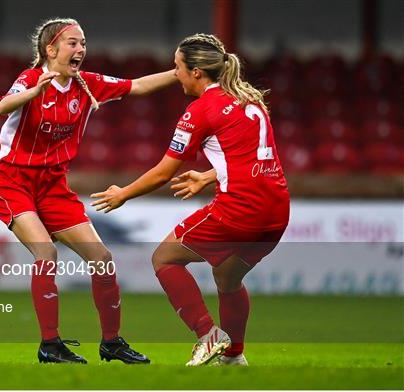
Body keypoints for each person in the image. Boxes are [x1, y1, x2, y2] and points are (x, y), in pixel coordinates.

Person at [91, 33, 290, 366]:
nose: (176, 74)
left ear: (197, 72)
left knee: (165, 258)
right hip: (276, 211)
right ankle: (233, 358)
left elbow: (163, 172)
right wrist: (210, 176)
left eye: (178, 67)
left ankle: (207, 334)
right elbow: (253, 156)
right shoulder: (249, 100)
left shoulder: (199, 111)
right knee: (227, 278)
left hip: (241, 209)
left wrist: (122, 193)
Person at [0, 17, 177, 364]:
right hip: (12, 180)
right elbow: (3, 106)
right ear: (51, 49)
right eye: (73, 43)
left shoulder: (85, 84)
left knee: (102, 260)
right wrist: (33, 93)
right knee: (46, 253)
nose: (81, 50)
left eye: (83, 43)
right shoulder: (31, 79)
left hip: (53, 186)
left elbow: (136, 86)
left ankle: (112, 343)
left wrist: (180, 73)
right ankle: (50, 345)